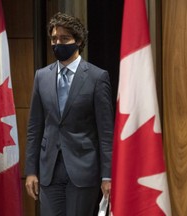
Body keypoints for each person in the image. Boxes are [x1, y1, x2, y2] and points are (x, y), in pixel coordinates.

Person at [25, 12, 114, 216]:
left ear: (79, 41)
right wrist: (31, 171)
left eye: (64, 39)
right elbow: (34, 128)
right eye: (54, 39)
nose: (58, 43)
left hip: (83, 170)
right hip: (49, 171)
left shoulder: (97, 77)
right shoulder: (41, 77)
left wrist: (107, 176)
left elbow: (106, 132)